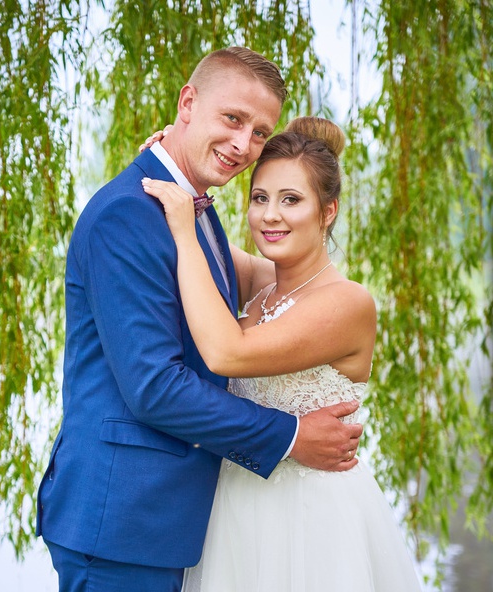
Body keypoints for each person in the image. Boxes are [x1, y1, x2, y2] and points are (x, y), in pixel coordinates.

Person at [36, 47, 361, 591]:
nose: (243, 144)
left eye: (260, 133)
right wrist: (289, 436)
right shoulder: (128, 214)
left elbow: (286, 282)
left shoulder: (194, 211)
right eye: (232, 118)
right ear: (188, 103)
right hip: (120, 523)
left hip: (167, 521)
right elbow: (155, 387)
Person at [144, 116, 422, 590]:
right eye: (260, 198)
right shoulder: (260, 282)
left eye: (291, 200)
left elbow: (226, 353)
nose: (270, 215)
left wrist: (185, 231)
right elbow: (200, 231)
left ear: (328, 211)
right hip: (235, 505)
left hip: (309, 517)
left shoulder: (347, 303)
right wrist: (174, 159)